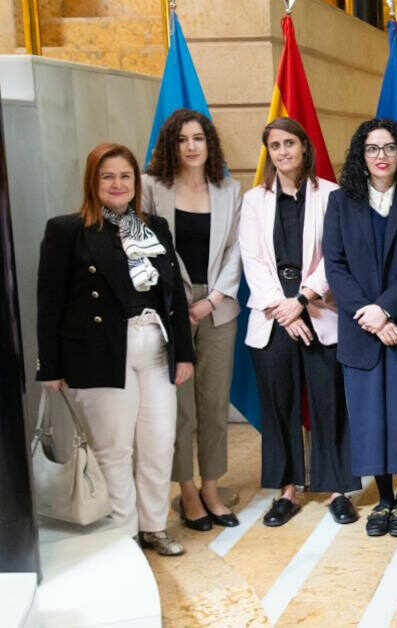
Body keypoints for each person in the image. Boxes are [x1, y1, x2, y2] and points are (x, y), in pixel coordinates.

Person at [37, 143, 195, 556]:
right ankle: (125, 535)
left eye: (125, 176)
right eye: (107, 176)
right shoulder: (67, 230)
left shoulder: (155, 227)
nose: (118, 184)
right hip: (101, 351)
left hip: (156, 346)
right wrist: (50, 366)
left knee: (159, 443)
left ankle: (154, 527)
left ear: (135, 182)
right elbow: (49, 301)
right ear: (92, 181)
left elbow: (173, 296)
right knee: (115, 449)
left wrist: (184, 353)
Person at [323, 119, 397, 538]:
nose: (381, 156)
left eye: (389, 147)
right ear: (361, 155)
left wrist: (387, 310)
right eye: (372, 148)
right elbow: (335, 265)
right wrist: (369, 315)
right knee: (371, 419)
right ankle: (384, 499)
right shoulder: (341, 202)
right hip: (362, 330)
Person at [239, 117, 358, 527]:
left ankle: (338, 488)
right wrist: (283, 308)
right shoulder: (254, 200)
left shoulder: (332, 194)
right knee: (279, 404)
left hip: (320, 310)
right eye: (275, 146)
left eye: (289, 143)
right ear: (268, 152)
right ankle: (288, 489)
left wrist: (303, 299)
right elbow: (252, 260)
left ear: (304, 146)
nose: (283, 151)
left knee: (330, 401)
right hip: (274, 317)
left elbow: (337, 254)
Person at [142, 108, 242, 531]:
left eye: (198, 138)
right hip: (171, 308)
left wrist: (212, 299)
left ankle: (211, 487)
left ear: (209, 142)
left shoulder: (230, 189)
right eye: (182, 139)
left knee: (214, 403)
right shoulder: (151, 188)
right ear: (171, 145)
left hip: (218, 307)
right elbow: (142, 248)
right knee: (179, 407)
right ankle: (186, 490)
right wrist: (177, 305)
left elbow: (237, 250)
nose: (191, 146)